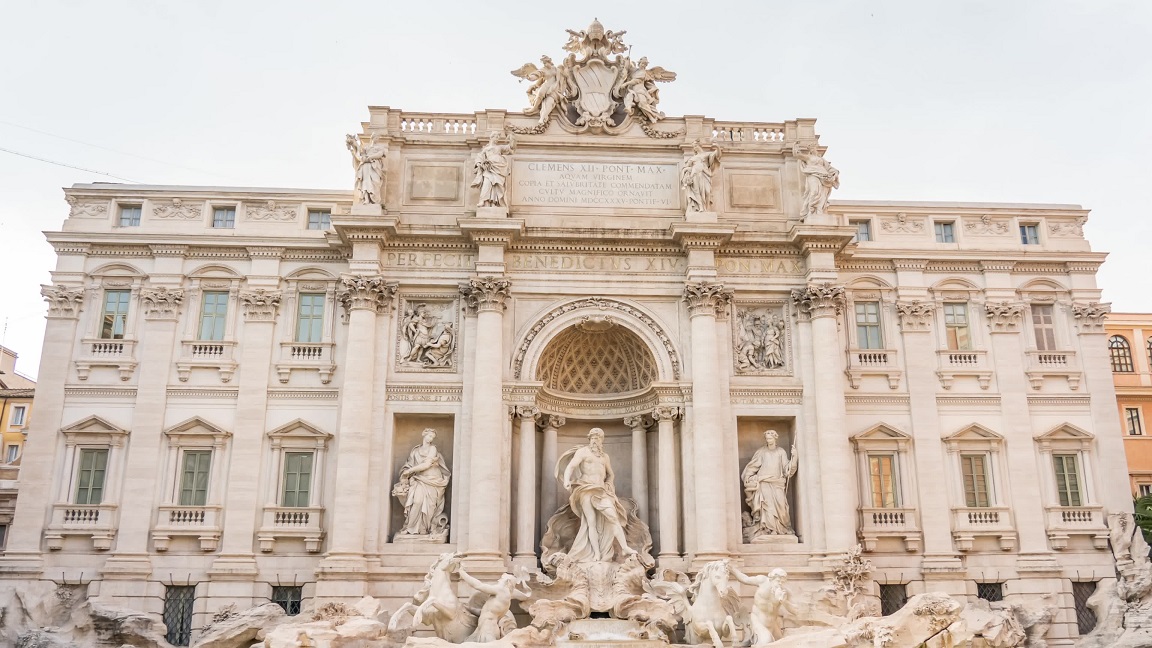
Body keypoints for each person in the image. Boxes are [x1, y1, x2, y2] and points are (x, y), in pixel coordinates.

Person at [559, 428, 637, 563]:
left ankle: (624, 547)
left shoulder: (605, 457)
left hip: (601, 491)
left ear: (602, 440)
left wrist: (609, 483)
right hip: (585, 488)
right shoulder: (582, 452)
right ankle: (596, 554)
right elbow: (571, 466)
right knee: (591, 522)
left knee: (613, 517)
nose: (595, 441)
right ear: (589, 439)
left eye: (598, 438)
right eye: (593, 438)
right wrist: (567, 480)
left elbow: (611, 474)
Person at [394, 428, 451, 536]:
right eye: (429, 436)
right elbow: (409, 464)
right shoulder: (415, 451)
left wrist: (410, 471)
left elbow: (426, 465)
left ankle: (424, 529)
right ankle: (410, 527)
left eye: (432, 437)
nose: (430, 439)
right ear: (424, 435)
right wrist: (405, 473)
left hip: (433, 481)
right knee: (417, 502)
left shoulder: (433, 448)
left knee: (430, 506)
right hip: (419, 480)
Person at [741, 430, 798, 537]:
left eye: (770, 438)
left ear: (775, 438)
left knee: (781, 507)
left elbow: (787, 470)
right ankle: (769, 530)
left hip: (777, 483)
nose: (768, 440)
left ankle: (782, 528)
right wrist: (748, 476)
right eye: (767, 439)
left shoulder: (781, 452)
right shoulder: (761, 452)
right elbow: (753, 466)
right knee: (767, 507)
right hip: (764, 483)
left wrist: (794, 458)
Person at [457, 566, 532, 643]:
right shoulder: (507, 595)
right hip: (485, 628)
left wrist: (462, 573)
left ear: (507, 582)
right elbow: (487, 612)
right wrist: (470, 609)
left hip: (488, 629)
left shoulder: (501, 590)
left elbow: (479, 585)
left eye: (501, 579)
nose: (499, 580)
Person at [730, 567, 799, 646]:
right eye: (778, 581)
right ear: (771, 579)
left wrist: (784, 601)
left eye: (782, 582)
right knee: (766, 641)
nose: (780, 583)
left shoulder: (785, 592)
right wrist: (732, 569)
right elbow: (745, 579)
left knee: (783, 644)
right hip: (758, 620)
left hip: (773, 624)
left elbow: (795, 611)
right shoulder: (762, 581)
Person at [793, 142, 839, 219]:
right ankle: (811, 210)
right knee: (814, 191)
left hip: (824, 177)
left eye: (813, 147)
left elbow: (829, 168)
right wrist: (795, 146)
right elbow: (796, 155)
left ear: (816, 149)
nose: (812, 149)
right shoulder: (808, 157)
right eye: (811, 148)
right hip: (813, 174)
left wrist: (835, 172)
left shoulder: (821, 159)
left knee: (822, 194)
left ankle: (818, 211)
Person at [471, 131, 515, 208]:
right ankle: (483, 201)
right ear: (491, 137)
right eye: (496, 137)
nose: (497, 139)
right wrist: (479, 164)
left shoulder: (499, 147)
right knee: (486, 184)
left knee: (499, 185)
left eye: (498, 137)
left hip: (499, 168)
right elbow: (479, 157)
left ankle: (497, 202)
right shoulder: (485, 149)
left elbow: (511, 148)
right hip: (489, 168)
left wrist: (512, 139)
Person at [346, 133, 387, 205]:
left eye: (378, 138)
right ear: (373, 137)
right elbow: (360, 152)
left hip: (374, 166)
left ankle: (374, 199)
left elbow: (380, 154)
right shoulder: (366, 147)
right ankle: (366, 199)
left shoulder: (380, 147)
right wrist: (353, 143)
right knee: (365, 182)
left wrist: (370, 157)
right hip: (365, 166)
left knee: (375, 182)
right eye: (377, 137)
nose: (377, 139)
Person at [680, 140, 722, 213]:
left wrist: (717, 147)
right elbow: (686, 168)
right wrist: (688, 171)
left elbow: (717, 155)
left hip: (705, 174)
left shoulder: (707, 154)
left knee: (707, 191)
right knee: (697, 192)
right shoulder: (692, 158)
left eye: (696, 146)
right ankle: (700, 207)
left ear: (700, 145)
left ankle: (707, 208)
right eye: (694, 147)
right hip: (695, 175)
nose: (695, 148)